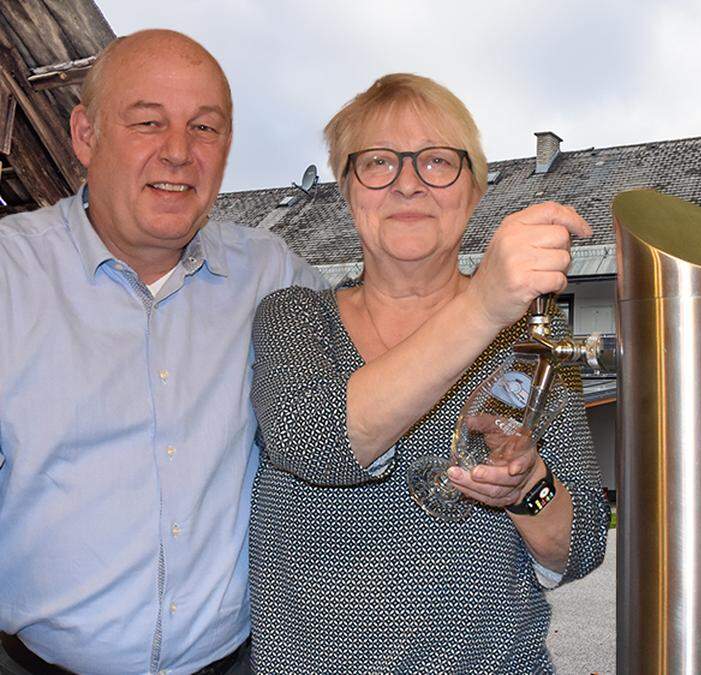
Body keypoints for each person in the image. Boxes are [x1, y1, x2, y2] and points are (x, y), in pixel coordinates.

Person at [248, 73, 609, 672]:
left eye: (438, 161)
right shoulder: (295, 316)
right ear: (347, 190)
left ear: (474, 190)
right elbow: (314, 440)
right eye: (379, 163)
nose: (408, 184)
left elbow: (583, 545)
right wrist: (485, 305)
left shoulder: (530, 345)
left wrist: (527, 489)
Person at [0, 30, 326, 674]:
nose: (179, 152)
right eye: (148, 122)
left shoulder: (275, 277)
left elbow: (369, 396)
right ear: (86, 136)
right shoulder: (10, 274)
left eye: (205, 128)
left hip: (233, 660)